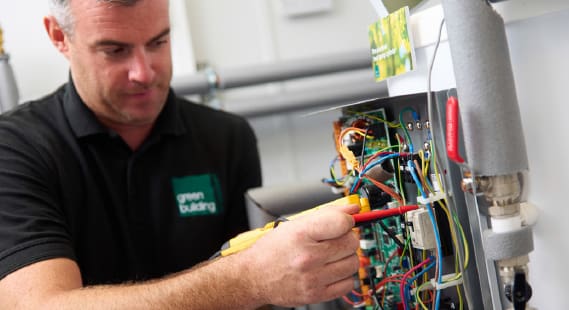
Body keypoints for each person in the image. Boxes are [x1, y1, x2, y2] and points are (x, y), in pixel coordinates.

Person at [0, 0, 360, 309]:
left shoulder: (225, 137)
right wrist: (249, 277)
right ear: (59, 36)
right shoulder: (16, 148)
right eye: (114, 50)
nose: (144, 72)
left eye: (159, 41)